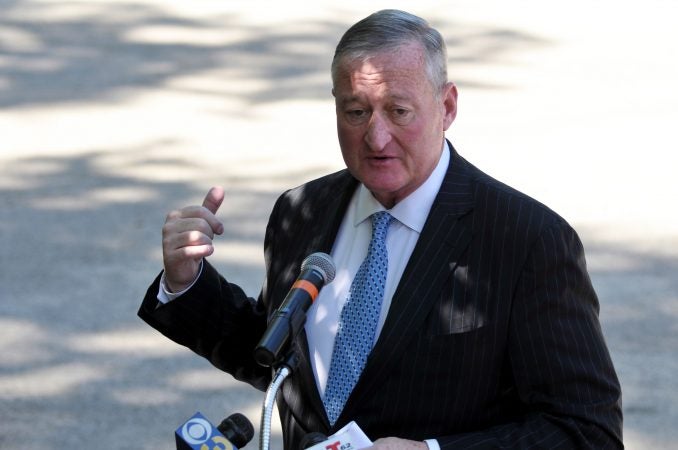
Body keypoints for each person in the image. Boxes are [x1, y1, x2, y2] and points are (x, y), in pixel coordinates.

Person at [139, 9, 623, 449]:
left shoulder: (527, 240)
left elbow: (585, 431)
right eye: (356, 112)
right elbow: (280, 358)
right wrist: (186, 283)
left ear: (447, 107)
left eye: (398, 111)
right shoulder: (300, 212)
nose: (376, 137)